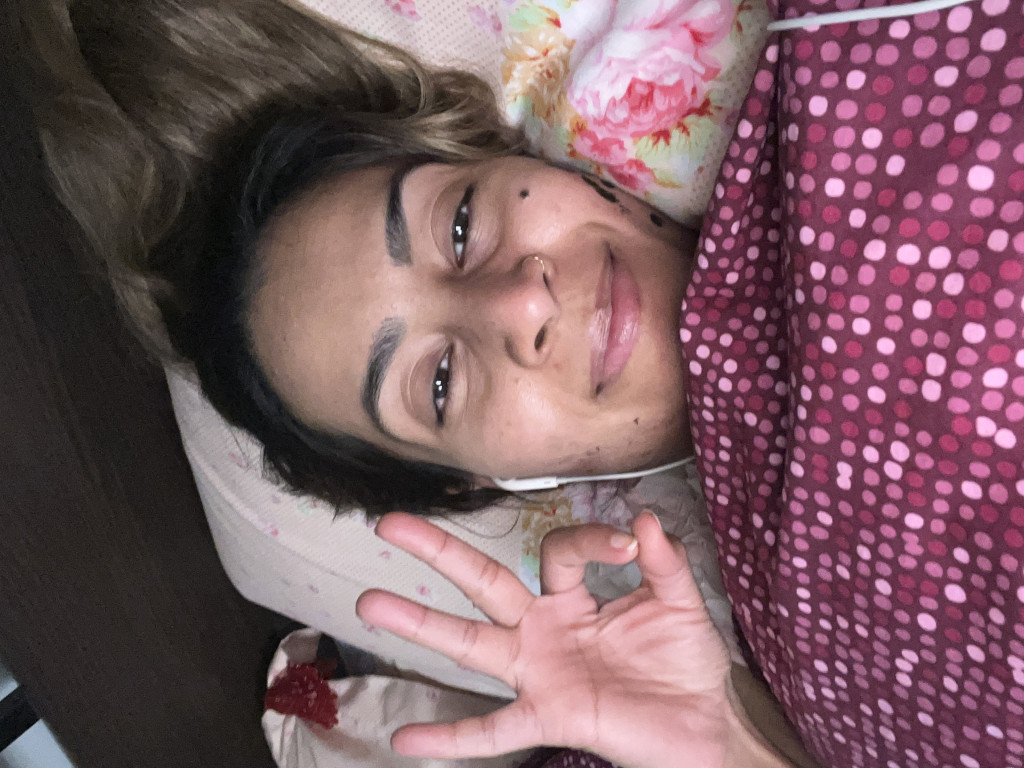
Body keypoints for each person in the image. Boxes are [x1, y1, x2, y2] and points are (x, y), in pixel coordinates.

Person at [26, 0, 1024, 766]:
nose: (520, 304)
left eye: (459, 226)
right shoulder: (739, 680)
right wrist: (734, 747)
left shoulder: (854, 57)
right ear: (486, 483)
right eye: (439, 383)